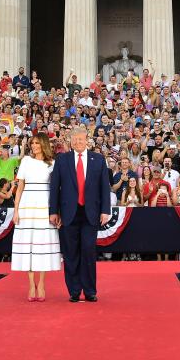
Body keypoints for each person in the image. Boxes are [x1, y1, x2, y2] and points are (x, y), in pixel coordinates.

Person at [49, 125, 111, 303]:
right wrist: (53, 211)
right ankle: (74, 291)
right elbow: (55, 187)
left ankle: (90, 291)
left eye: (81, 139)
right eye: (75, 139)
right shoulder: (62, 160)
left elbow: (104, 188)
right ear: (71, 141)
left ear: (87, 141)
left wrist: (105, 210)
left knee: (88, 251)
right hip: (68, 213)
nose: (78, 142)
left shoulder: (98, 159)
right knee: (70, 253)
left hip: (91, 213)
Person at [11, 132, 61, 301]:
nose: (34, 146)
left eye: (37, 143)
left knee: (42, 245)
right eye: (32, 143)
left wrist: (56, 211)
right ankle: (31, 285)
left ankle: (42, 284)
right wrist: (16, 210)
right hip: (27, 206)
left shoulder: (53, 164)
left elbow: (56, 190)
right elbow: (19, 188)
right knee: (29, 245)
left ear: (44, 145)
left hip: (45, 206)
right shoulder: (25, 161)